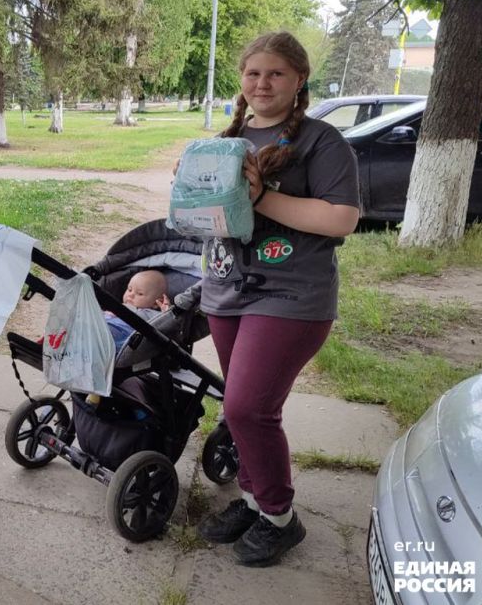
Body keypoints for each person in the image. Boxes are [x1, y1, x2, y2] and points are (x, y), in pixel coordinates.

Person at [194, 31, 359, 566]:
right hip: (227, 288)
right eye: (253, 73)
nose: (262, 83)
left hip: (291, 293)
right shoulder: (227, 136)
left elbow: (342, 218)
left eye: (276, 74)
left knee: (246, 408)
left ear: (299, 80)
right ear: (241, 80)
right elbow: (209, 213)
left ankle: (280, 518)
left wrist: (263, 195)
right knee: (249, 410)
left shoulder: (321, 141)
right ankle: (253, 498)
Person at [103, 269, 171, 353]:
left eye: (140, 293)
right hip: (102, 324)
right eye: (129, 289)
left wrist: (166, 311)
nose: (130, 295)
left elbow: (165, 323)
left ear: (156, 303)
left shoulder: (149, 314)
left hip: (117, 335)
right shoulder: (120, 305)